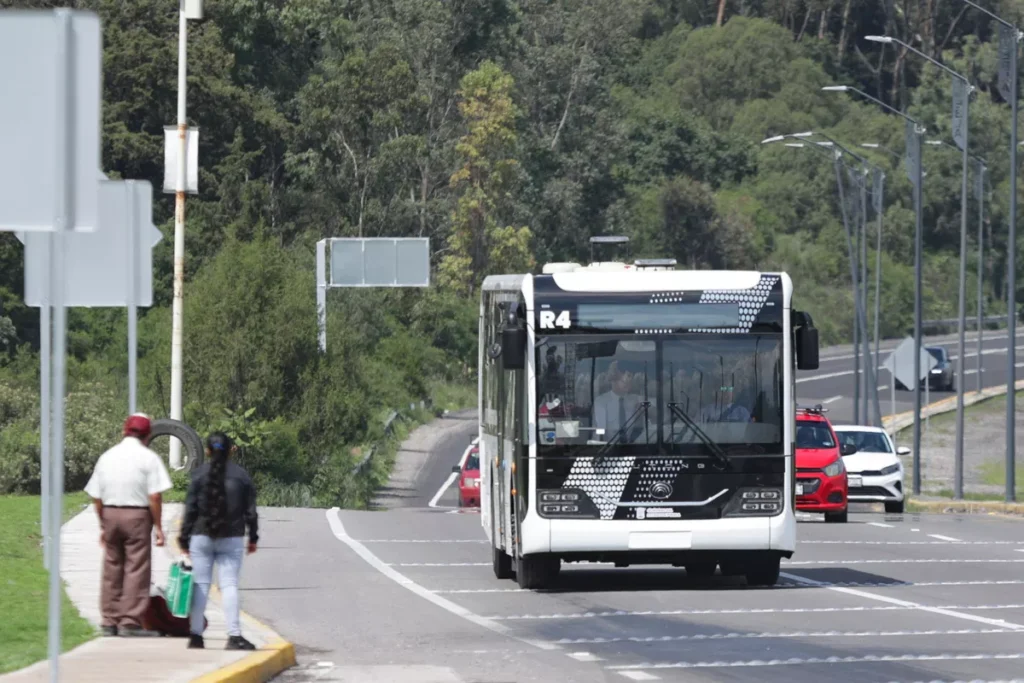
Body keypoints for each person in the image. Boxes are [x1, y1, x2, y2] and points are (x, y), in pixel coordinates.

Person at [84, 413, 172, 637]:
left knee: (112, 567)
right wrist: (159, 527)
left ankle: (109, 621)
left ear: (125, 431)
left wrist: (103, 524)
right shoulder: (149, 458)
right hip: (136, 516)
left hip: (110, 513)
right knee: (136, 569)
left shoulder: (107, 456)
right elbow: (154, 496)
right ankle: (129, 622)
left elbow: (96, 496)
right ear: (147, 435)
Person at [178, 432, 259, 650]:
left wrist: (184, 538)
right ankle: (234, 636)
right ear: (231, 449)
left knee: (201, 584)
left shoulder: (198, 475)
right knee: (229, 585)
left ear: (207, 451)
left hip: (200, 537)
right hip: (232, 537)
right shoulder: (241, 476)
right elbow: (251, 512)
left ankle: (195, 636)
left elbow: (190, 509)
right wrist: (253, 537)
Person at [593, 361, 650, 443]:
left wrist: (646, 412)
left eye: (629, 380)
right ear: (613, 380)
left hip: (636, 448)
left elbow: (657, 420)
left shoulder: (638, 400)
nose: (627, 383)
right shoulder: (601, 402)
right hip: (608, 449)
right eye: (623, 381)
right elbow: (599, 430)